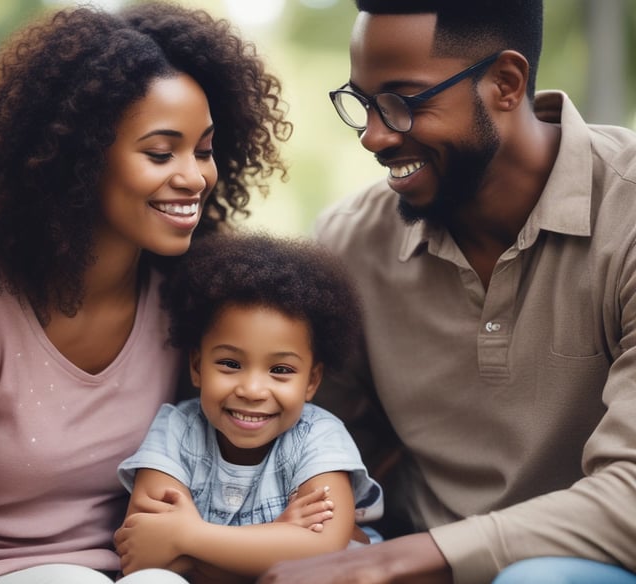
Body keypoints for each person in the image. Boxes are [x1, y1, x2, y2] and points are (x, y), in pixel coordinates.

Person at [0, 2, 292, 583]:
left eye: (203, 149)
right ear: (80, 159)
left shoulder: (190, 295)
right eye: (161, 152)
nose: (194, 177)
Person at [258, 1, 636, 584]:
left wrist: (400, 560)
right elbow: (309, 432)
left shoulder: (627, 215)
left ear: (505, 84)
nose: (373, 137)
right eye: (362, 104)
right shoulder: (351, 245)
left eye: (404, 104)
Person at [115, 231, 384, 583]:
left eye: (281, 370)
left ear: (312, 381)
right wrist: (279, 539)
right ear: (197, 367)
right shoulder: (177, 430)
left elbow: (323, 551)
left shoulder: (319, 437)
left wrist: (187, 538)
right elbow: (144, 552)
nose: (253, 390)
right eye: (230, 363)